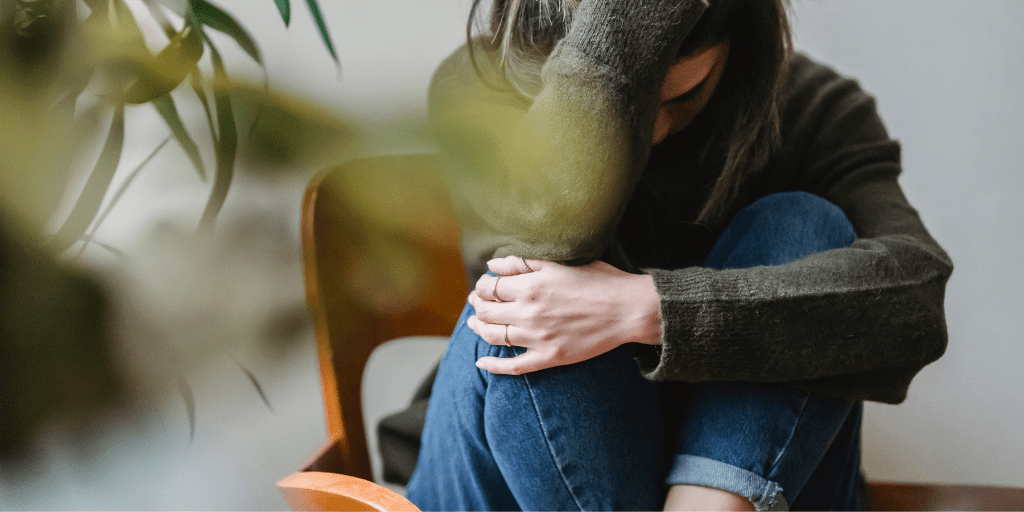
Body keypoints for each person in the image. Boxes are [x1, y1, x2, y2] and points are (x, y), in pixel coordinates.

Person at [394, 0, 953, 509]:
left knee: (805, 224)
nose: (654, 131)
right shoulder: (480, 85)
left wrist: (651, 309)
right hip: (508, 481)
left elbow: (914, 297)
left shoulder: (807, 105)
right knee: (526, 298)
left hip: (734, 487)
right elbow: (549, 241)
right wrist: (622, 34)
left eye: (684, 97)